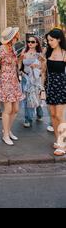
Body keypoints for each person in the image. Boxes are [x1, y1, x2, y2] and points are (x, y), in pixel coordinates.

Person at [0, 27, 24, 146]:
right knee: (8, 109)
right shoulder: (0, 50)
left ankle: (7, 130)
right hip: (5, 81)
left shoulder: (15, 50)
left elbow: (18, 66)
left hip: (15, 81)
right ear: (12, 38)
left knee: (16, 109)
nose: (18, 37)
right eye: (16, 36)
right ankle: (5, 134)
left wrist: (20, 59)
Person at [44, 28, 66, 156]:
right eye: (48, 40)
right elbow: (44, 71)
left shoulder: (64, 53)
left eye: (51, 40)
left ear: (59, 39)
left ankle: (63, 144)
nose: (49, 42)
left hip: (62, 86)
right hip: (50, 86)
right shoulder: (48, 52)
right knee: (52, 115)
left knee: (60, 116)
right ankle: (58, 140)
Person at [21, 36, 44, 128]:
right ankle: (28, 119)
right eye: (28, 41)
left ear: (37, 43)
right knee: (27, 99)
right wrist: (20, 71)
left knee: (35, 97)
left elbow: (43, 67)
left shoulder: (39, 54)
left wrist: (37, 67)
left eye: (32, 42)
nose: (30, 43)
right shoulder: (24, 52)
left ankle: (39, 113)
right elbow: (19, 64)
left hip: (35, 78)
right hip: (25, 78)